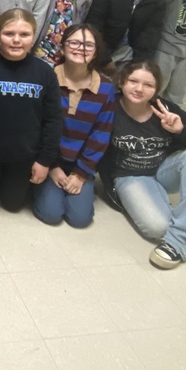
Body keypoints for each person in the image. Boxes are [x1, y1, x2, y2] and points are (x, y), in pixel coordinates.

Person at [101, 60, 186, 270]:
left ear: (156, 89)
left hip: (165, 169)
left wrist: (181, 131)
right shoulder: (109, 108)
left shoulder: (165, 109)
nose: (139, 89)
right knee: (158, 228)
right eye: (133, 81)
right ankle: (180, 223)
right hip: (130, 176)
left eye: (148, 85)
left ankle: (180, 241)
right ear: (121, 82)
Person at [0, 9, 61, 212]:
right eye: (9, 34)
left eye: (24, 34)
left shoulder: (45, 73)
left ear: (33, 36)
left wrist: (44, 161)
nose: (16, 40)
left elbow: (53, 120)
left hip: (24, 155)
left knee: (13, 205)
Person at [32, 23, 115, 228]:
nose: (80, 48)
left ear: (96, 52)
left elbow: (101, 135)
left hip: (81, 163)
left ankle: (82, 185)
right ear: (62, 47)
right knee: (51, 214)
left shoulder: (106, 88)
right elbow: (36, 125)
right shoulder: (46, 77)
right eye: (74, 42)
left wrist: (81, 174)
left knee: (80, 219)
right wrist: (52, 166)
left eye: (88, 45)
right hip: (48, 159)